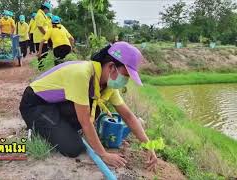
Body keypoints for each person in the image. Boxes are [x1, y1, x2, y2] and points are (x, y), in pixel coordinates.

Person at [19, 41, 158, 170]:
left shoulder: (106, 85)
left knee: (94, 108)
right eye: (125, 75)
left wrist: (149, 146)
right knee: (73, 148)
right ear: (111, 67)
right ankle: (37, 127)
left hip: (55, 104)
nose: (126, 80)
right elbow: (85, 121)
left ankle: (56, 126)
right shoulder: (82, 74)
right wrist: (103, 154)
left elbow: (128, 116)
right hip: (35, 104)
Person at [34, 2, 52, 69]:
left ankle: (42, 67)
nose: (48, 11)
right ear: (45, 9)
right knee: (41, 53)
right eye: (48, 9)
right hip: (40, 38)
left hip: (42, 37)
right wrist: (46, 34)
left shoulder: (42, 14)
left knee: (44, 53)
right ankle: (41, 68)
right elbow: (40, 27)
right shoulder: (39, 15)